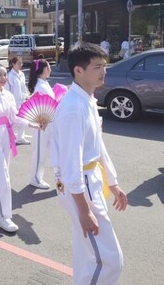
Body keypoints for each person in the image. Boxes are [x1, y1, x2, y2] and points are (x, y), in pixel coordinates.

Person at [51, 43, 127, 284]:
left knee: (88, 255)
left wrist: (112, 182)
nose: (103, 72)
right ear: (78, 71)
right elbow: (71, 163)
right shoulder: (74, 107)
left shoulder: (87, 100)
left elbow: (98, 146)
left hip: (89, 180)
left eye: (104, 66)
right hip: (80, 185)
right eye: (97, 67)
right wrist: (84, 211)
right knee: (109, 260)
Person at [0, 62, 41, 233]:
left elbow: (14, 117)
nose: (3, 78)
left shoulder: (9, 96)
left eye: (5, 74)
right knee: (3, 178)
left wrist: (32, 124)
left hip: (6, 135)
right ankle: (3, 216)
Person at [27, 59, 54, 190]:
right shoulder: (40, 86)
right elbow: (39, 106)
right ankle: (36, 178)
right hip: (42, 125)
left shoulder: (43, 83)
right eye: (48, 67)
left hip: (48, 124)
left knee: (48, 151)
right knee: (39, 152)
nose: (50, 70)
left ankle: (40, 177)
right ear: (43, 70)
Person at [6, 56, 30, 145]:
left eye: (21, 63)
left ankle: (20, 137)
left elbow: (23, 87)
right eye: (18, 63)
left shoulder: (22, 74)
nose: (21, 65)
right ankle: (9, 137)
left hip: (22, 101)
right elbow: (8, 89)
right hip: (14, 102)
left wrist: (27, 96)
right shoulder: (10, 76)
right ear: (13, 64)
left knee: (23, 119)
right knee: (14, 122)